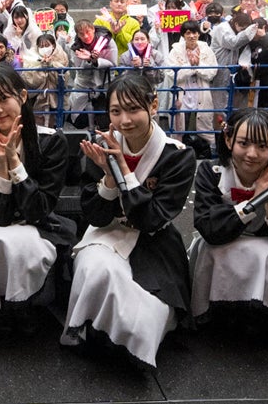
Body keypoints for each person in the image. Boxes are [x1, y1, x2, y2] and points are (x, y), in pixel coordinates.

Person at [65, 72, 196, 370]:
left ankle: (119, 337)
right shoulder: (102, 149)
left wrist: (123, 170)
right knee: (97, 269)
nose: (124, 120)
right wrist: (109, 179)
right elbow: (94, 215)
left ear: (153, 105)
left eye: (133, 109)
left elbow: (152, 219)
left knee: (145, 320)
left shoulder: (178, 157)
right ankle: (99, 333)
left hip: (155, 243)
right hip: (108, 234)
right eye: (115, 111)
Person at [0, 63, 76, 327]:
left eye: (3, 99)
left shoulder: (50, 142)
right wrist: (0, 167)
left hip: (37, 223)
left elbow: (39, 209)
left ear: (22, 96)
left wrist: (16, 166)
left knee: (19, 244)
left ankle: (21, 305)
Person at [189, 108, 268, 335]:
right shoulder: (212, 172)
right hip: (220, 245)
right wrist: (255, 201)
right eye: (243, 143)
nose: (252, 154)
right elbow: (208, 228)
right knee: (210, 248)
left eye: (262, 146)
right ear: (228, 139)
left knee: (267, 254)